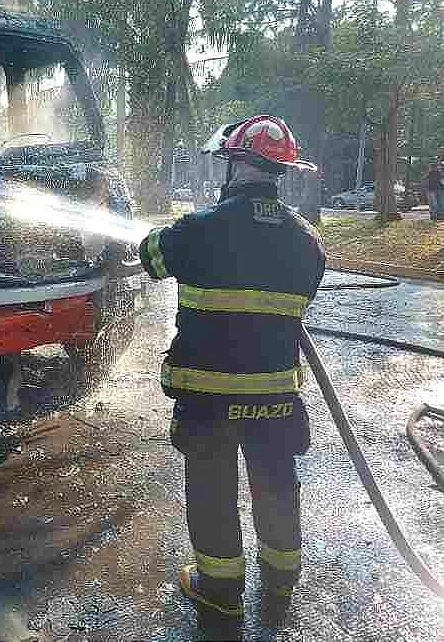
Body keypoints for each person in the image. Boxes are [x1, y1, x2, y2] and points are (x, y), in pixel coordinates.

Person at [139, 115, 326, 623]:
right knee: (277, 484)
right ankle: (280, 585)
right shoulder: (309, 242)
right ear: (280, 172)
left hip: (208, 401)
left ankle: (220, 592)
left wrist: (162, 233)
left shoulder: (198, 230)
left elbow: (149, 257)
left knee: (212, 492)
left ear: (235, 164)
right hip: (277, 400)